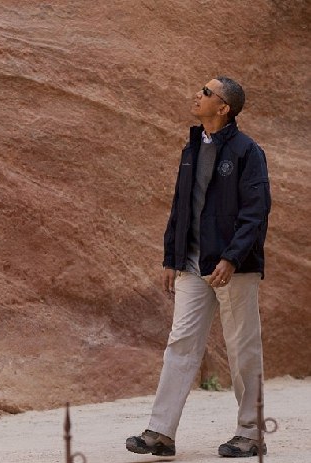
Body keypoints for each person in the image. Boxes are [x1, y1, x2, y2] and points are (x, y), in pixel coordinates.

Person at [126, 76, 271, 458]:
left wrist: (232, 257)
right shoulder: (191, 148)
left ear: (223, 108)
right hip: (192, 266)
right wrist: (171, 258)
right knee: (181, 345)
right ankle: (160, 432)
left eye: (207, 92)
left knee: (243, 350)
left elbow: (256, 212)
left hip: (233, 268)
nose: (198, 95)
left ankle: (251, 433)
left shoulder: (247, 151)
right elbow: (180, 208)